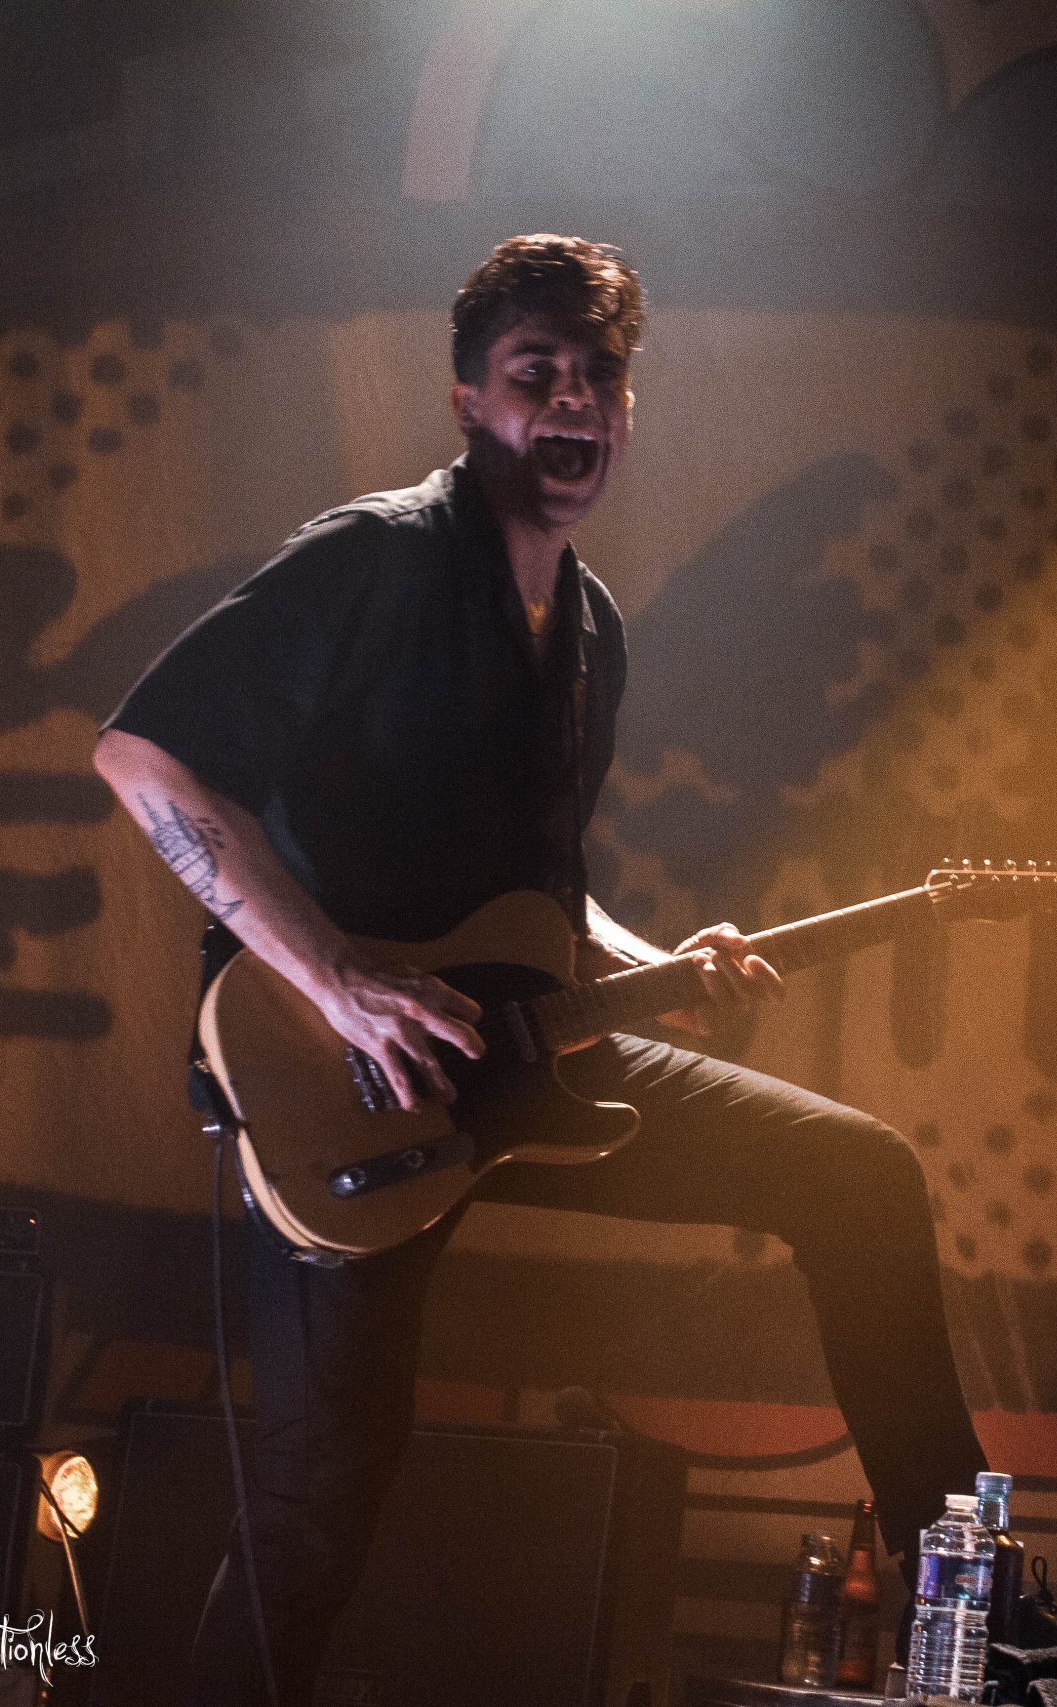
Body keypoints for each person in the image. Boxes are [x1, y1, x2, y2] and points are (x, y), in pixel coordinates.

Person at [95, 234, 987, 1704]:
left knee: (859, 1175)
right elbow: (146, 757)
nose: (572, 399)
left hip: (521, 1059)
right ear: (468, 399)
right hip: (347, 1082)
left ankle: (980, 1633)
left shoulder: (588, 630)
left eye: (599, 376)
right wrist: (337, 981)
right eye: (535, 373)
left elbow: (537, 907)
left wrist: (661, 960)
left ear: (625, 411)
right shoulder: (377, 556)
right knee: (320, 1501)